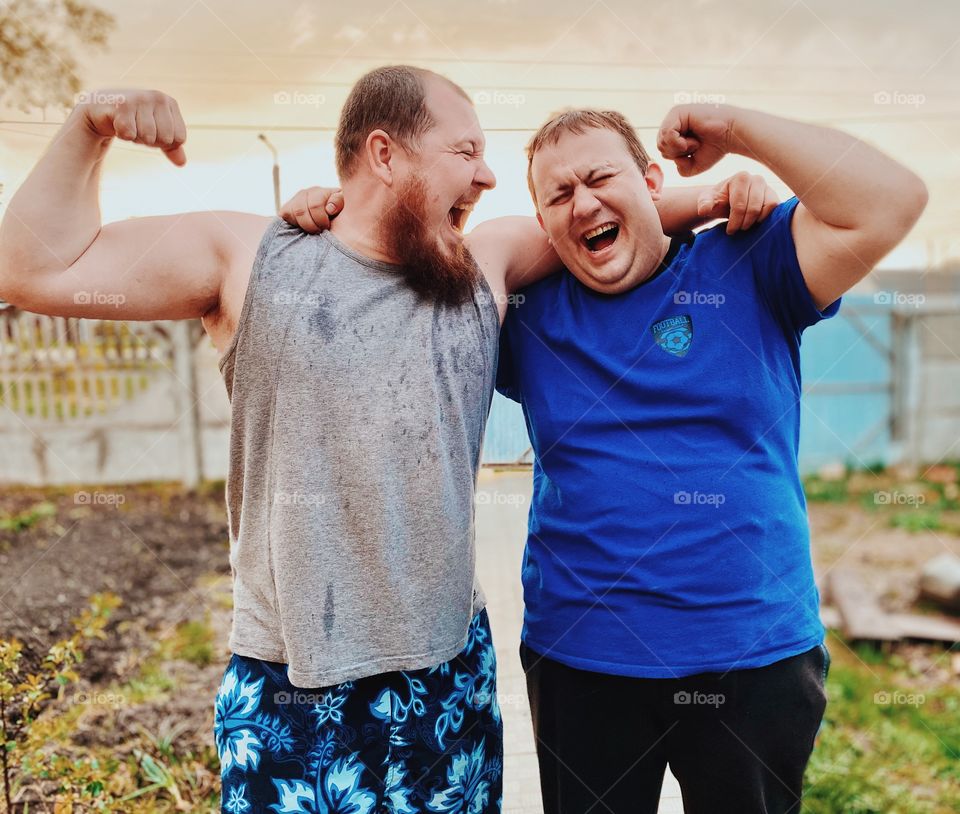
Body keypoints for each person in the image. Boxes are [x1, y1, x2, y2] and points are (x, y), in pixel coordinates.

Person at [0, 65, 774, 812]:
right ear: (384, 154)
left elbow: (597, 221)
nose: (488, 177)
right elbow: (28, 269)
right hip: (289, 692)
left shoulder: (484, 265)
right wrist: (90, 124)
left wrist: (715, 193)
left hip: (448, 688)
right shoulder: (249, 257)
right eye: (466, 152)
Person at [491, 106, 925, 813]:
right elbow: (451, 265)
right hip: (583, 661)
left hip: (753, 658)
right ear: (542, 223)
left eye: (601, 178)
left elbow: (889, 201)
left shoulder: (752, 259)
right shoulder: (530, 313)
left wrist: (732, 130)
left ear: (650, 181)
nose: (585, 204)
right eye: (559, 195)